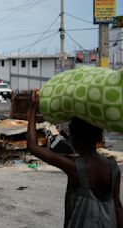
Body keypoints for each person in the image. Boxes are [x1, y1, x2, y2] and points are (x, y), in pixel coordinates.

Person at [27, 90, 123, 228]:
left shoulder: (74, 167)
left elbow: (32, 146)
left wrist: (32, 110)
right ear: (97, 137)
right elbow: (118, 207)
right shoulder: (113, 167)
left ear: (75, 137)